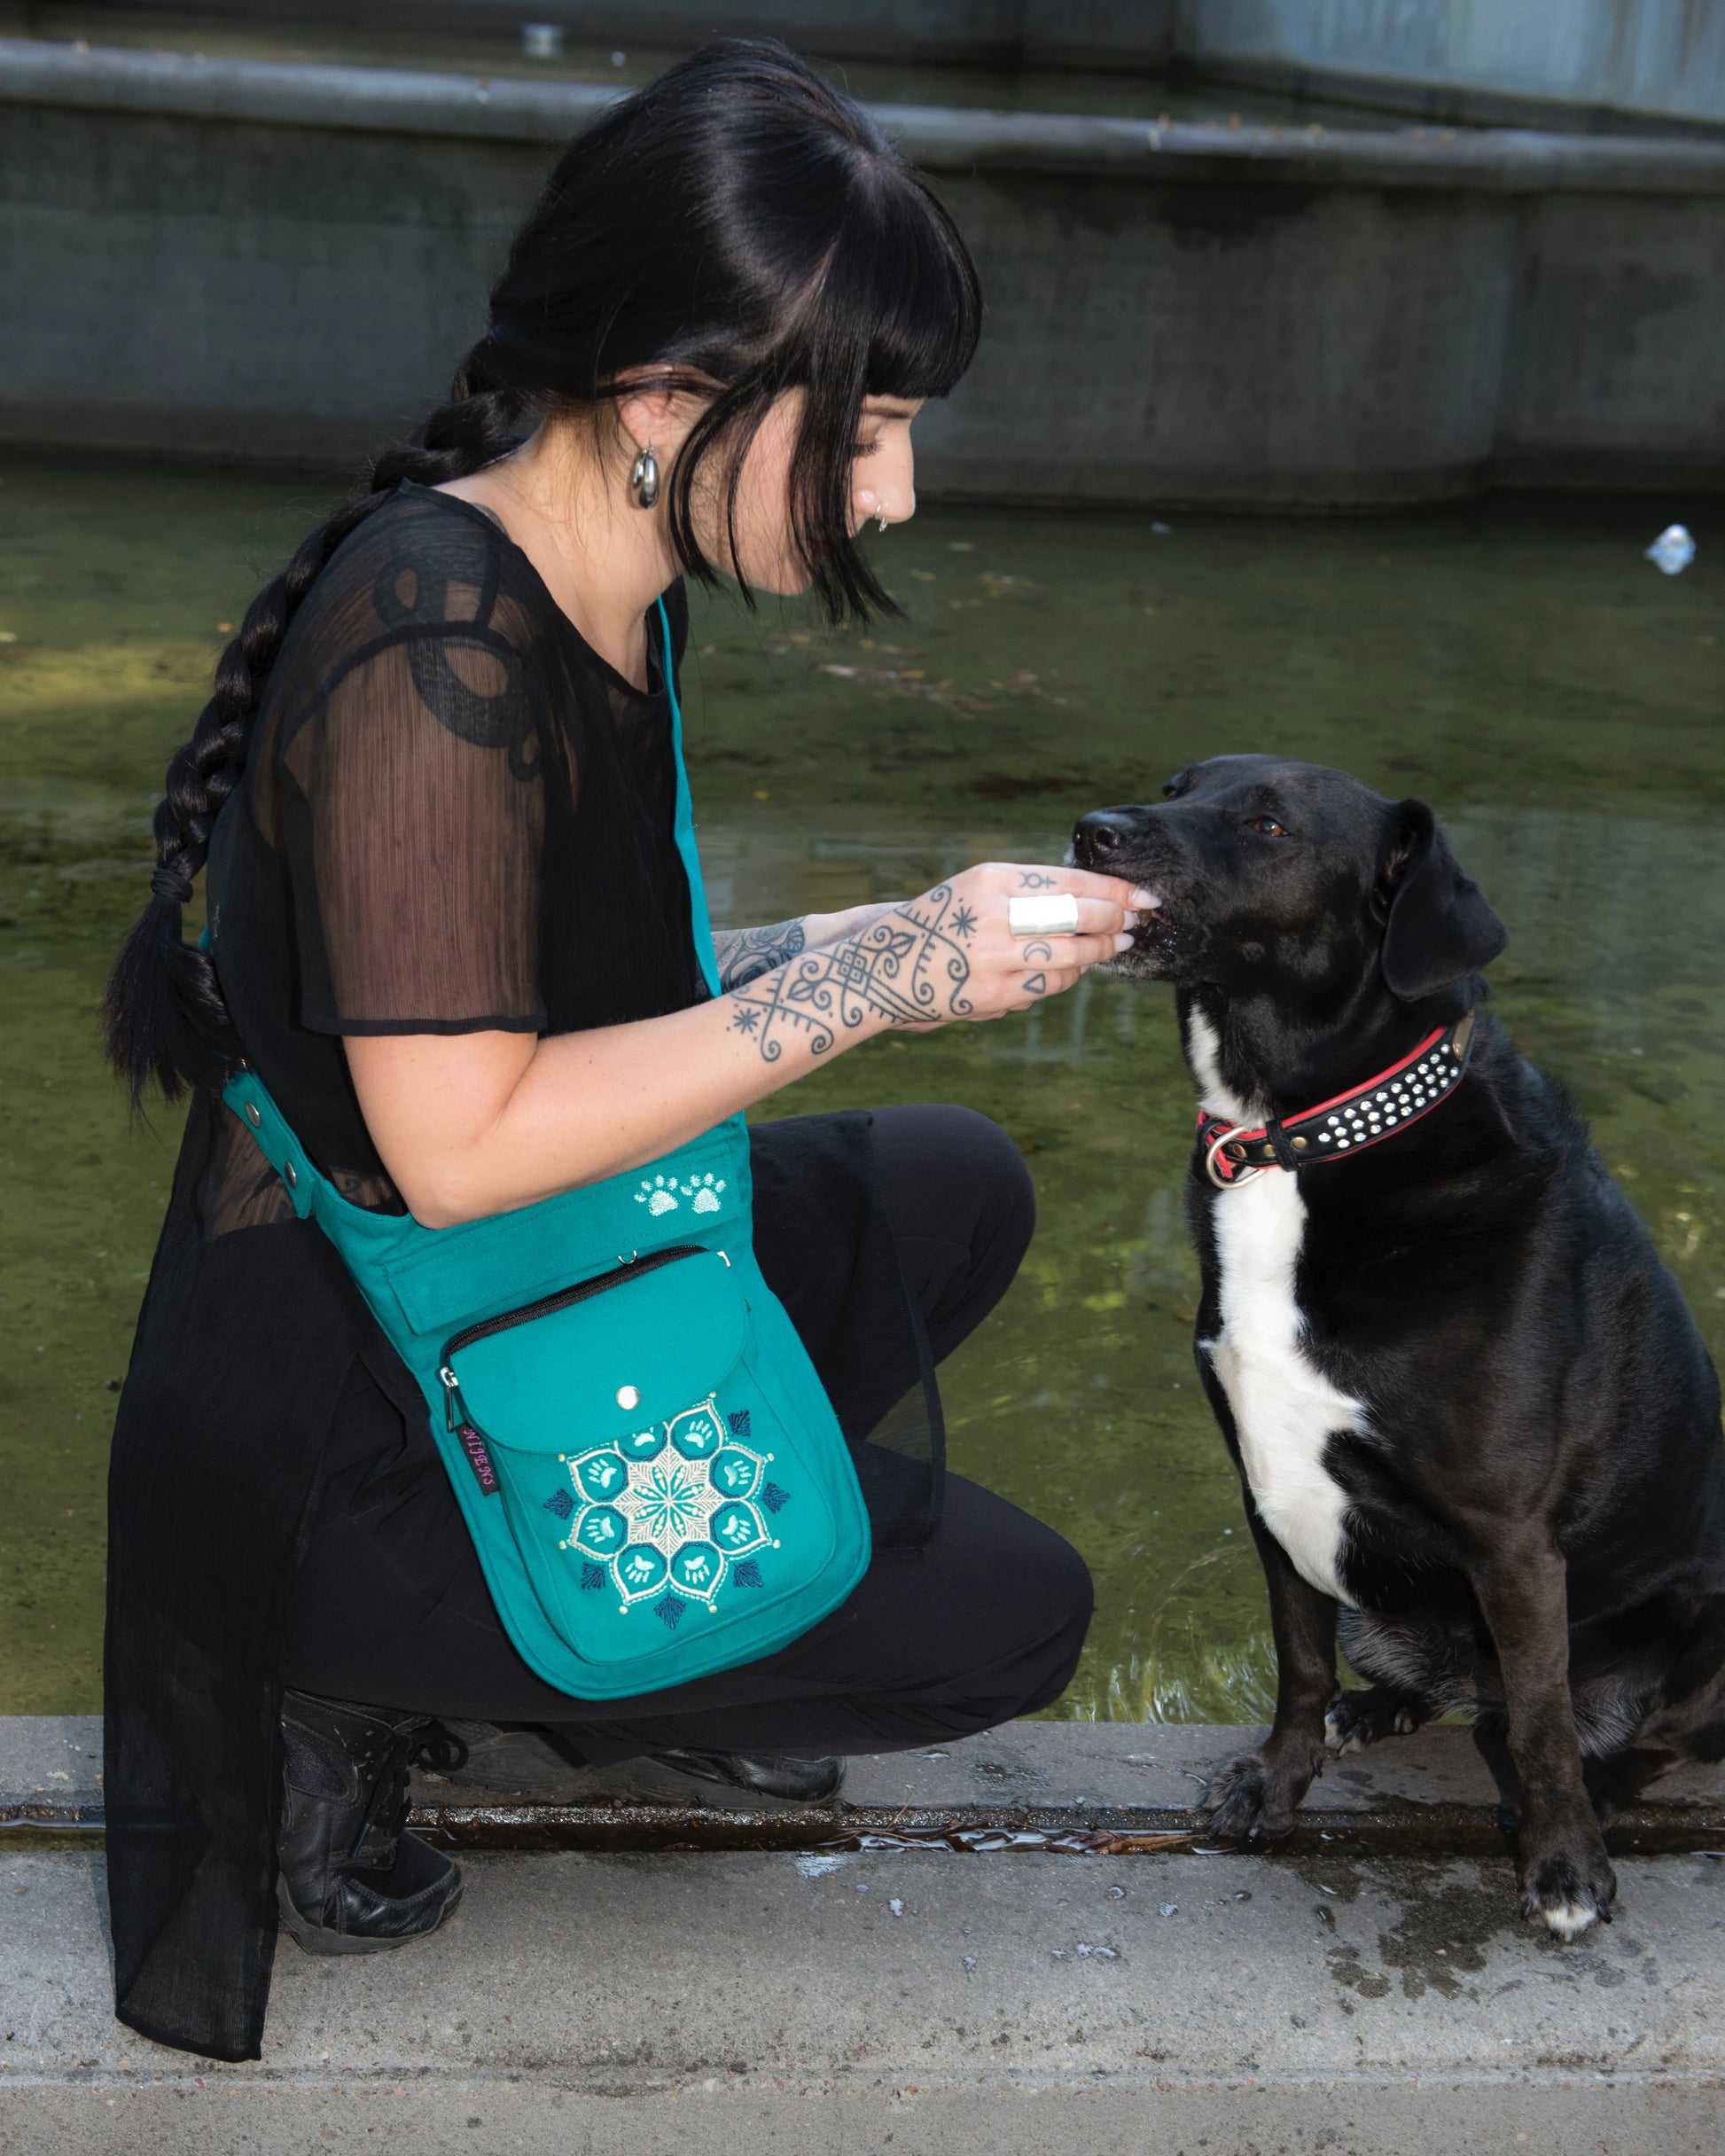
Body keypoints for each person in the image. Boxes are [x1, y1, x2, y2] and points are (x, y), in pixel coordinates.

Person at [101, 38, 1150, 2062]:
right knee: (1016, 1621)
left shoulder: (612, 570)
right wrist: (880, 976)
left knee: (960, 1181)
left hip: (491, 1282)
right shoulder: (436, 649)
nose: (897, 491)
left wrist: (883, 938)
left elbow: (562, 990)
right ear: (673, 399)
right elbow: (462, 1141)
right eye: (867, 433)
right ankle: (353, 1676)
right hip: (357, 1375)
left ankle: (643, 1655)